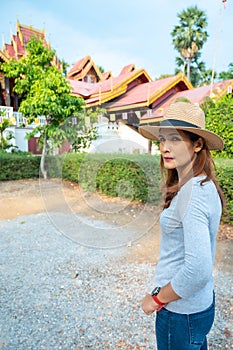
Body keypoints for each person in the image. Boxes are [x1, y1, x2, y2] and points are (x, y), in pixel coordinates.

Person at [139, 101, 225, 350]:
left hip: (179, 312)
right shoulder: (202, 184)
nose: (165, 147)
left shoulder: (194, 193)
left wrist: (156, 299)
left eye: (176, 139)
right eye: (163, 139)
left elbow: (198, 269)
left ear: (197, 144)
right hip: (198, 307)